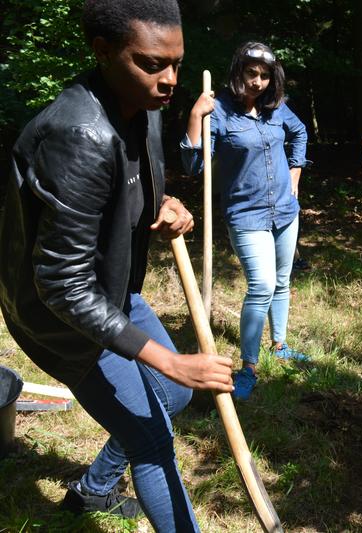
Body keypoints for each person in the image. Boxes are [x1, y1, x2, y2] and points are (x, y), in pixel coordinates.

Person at [0, 1, 234, 530]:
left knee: (171, 399)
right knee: (152, 438)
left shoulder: (142, 107)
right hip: (62, 317)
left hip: (112, 291)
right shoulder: (76, 135)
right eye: (152, 63)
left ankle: (92, 489)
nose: (169, 79)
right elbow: (62, 284)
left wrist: (162, 208)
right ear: (103, 52)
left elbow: (125, 193)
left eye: (176, 63)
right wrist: (172, 359)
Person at [182, 41, 309, 401]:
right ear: (238, 73)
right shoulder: (218, 111)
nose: (257, 82)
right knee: (262, 285)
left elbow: (299, 133)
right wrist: (195, 116)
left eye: (265, 75)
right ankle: (249, 365)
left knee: (282, 281)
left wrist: (296, 175)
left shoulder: (277, 108)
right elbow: (194, 167)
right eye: (251, 73)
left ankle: (280, 345)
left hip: (285, 209)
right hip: (246, 213)